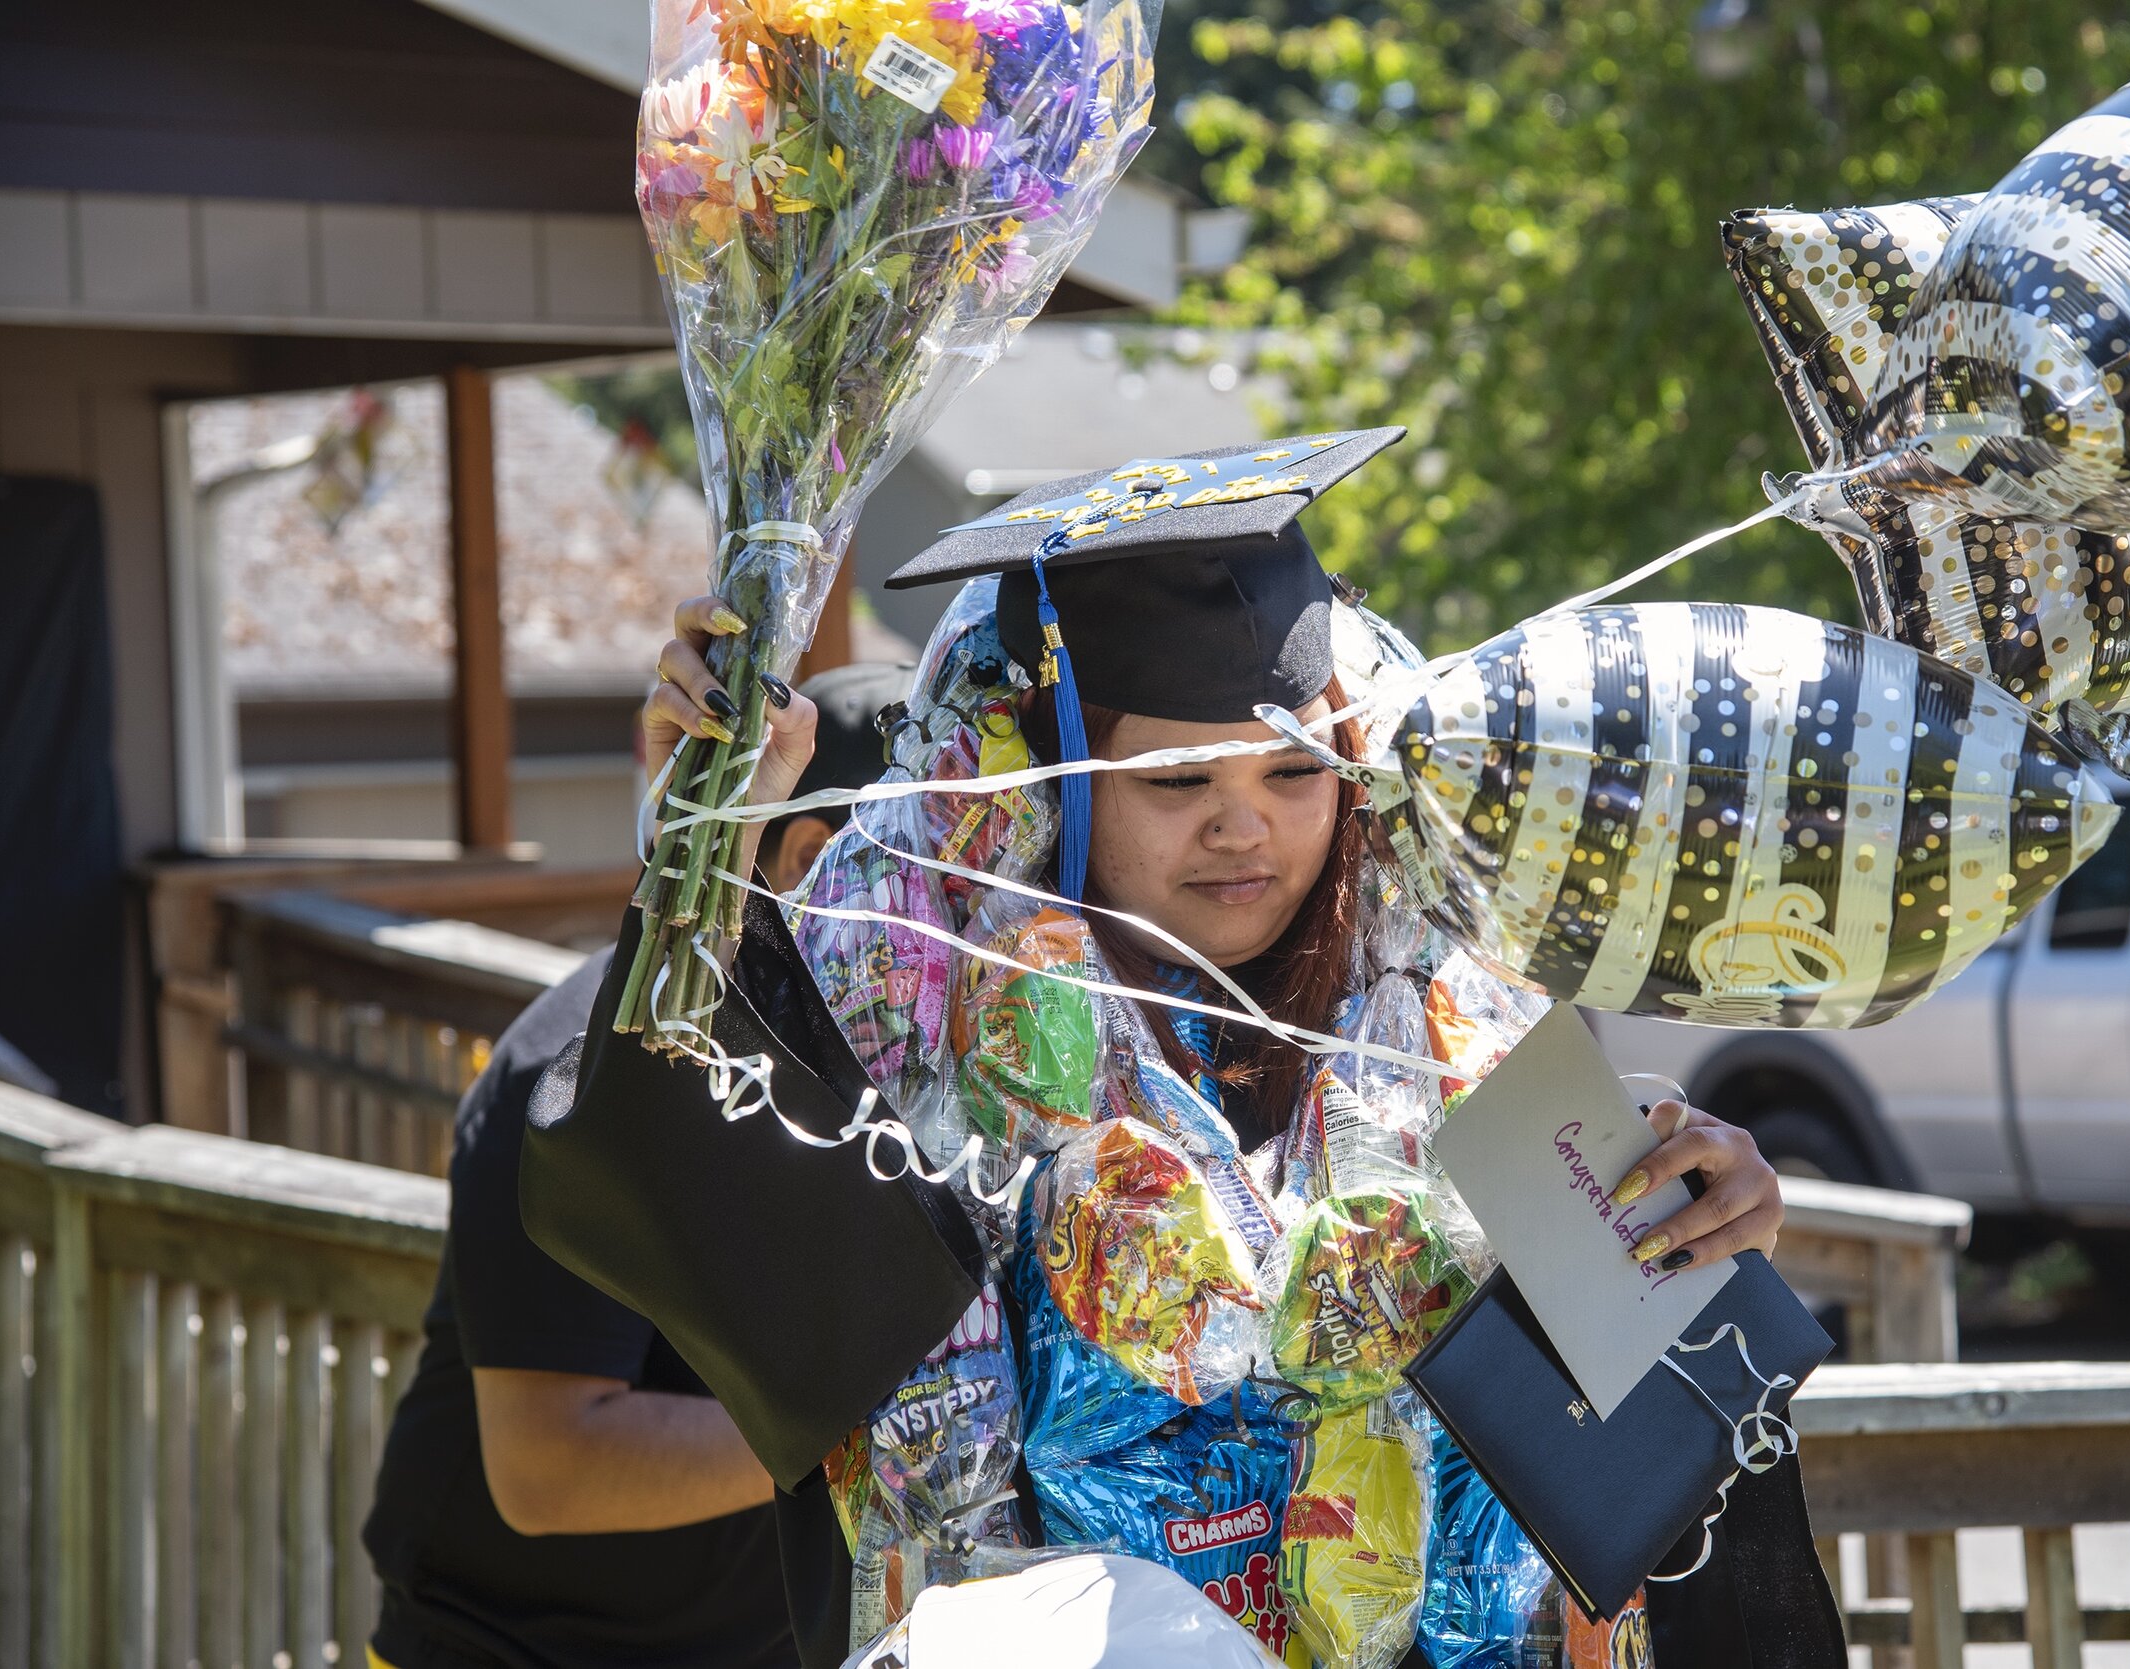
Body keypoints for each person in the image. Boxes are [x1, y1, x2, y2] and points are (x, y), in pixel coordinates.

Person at [605, 430, 1808, 1668]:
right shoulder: (924, 1022)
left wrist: (1704, 1231)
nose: (1246, 827)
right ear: (1060, 779)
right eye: (1178, 782)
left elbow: (1618, 1421)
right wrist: (707, 862)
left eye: (1294, 769)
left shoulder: (1443, 1009)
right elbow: (707, 1209)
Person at [361, 661, 911, 1669]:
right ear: (811, 854)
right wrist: (885, 1422)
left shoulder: (905, 1068)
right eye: (939, 878)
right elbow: (547, 1461)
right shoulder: (585, 1068)